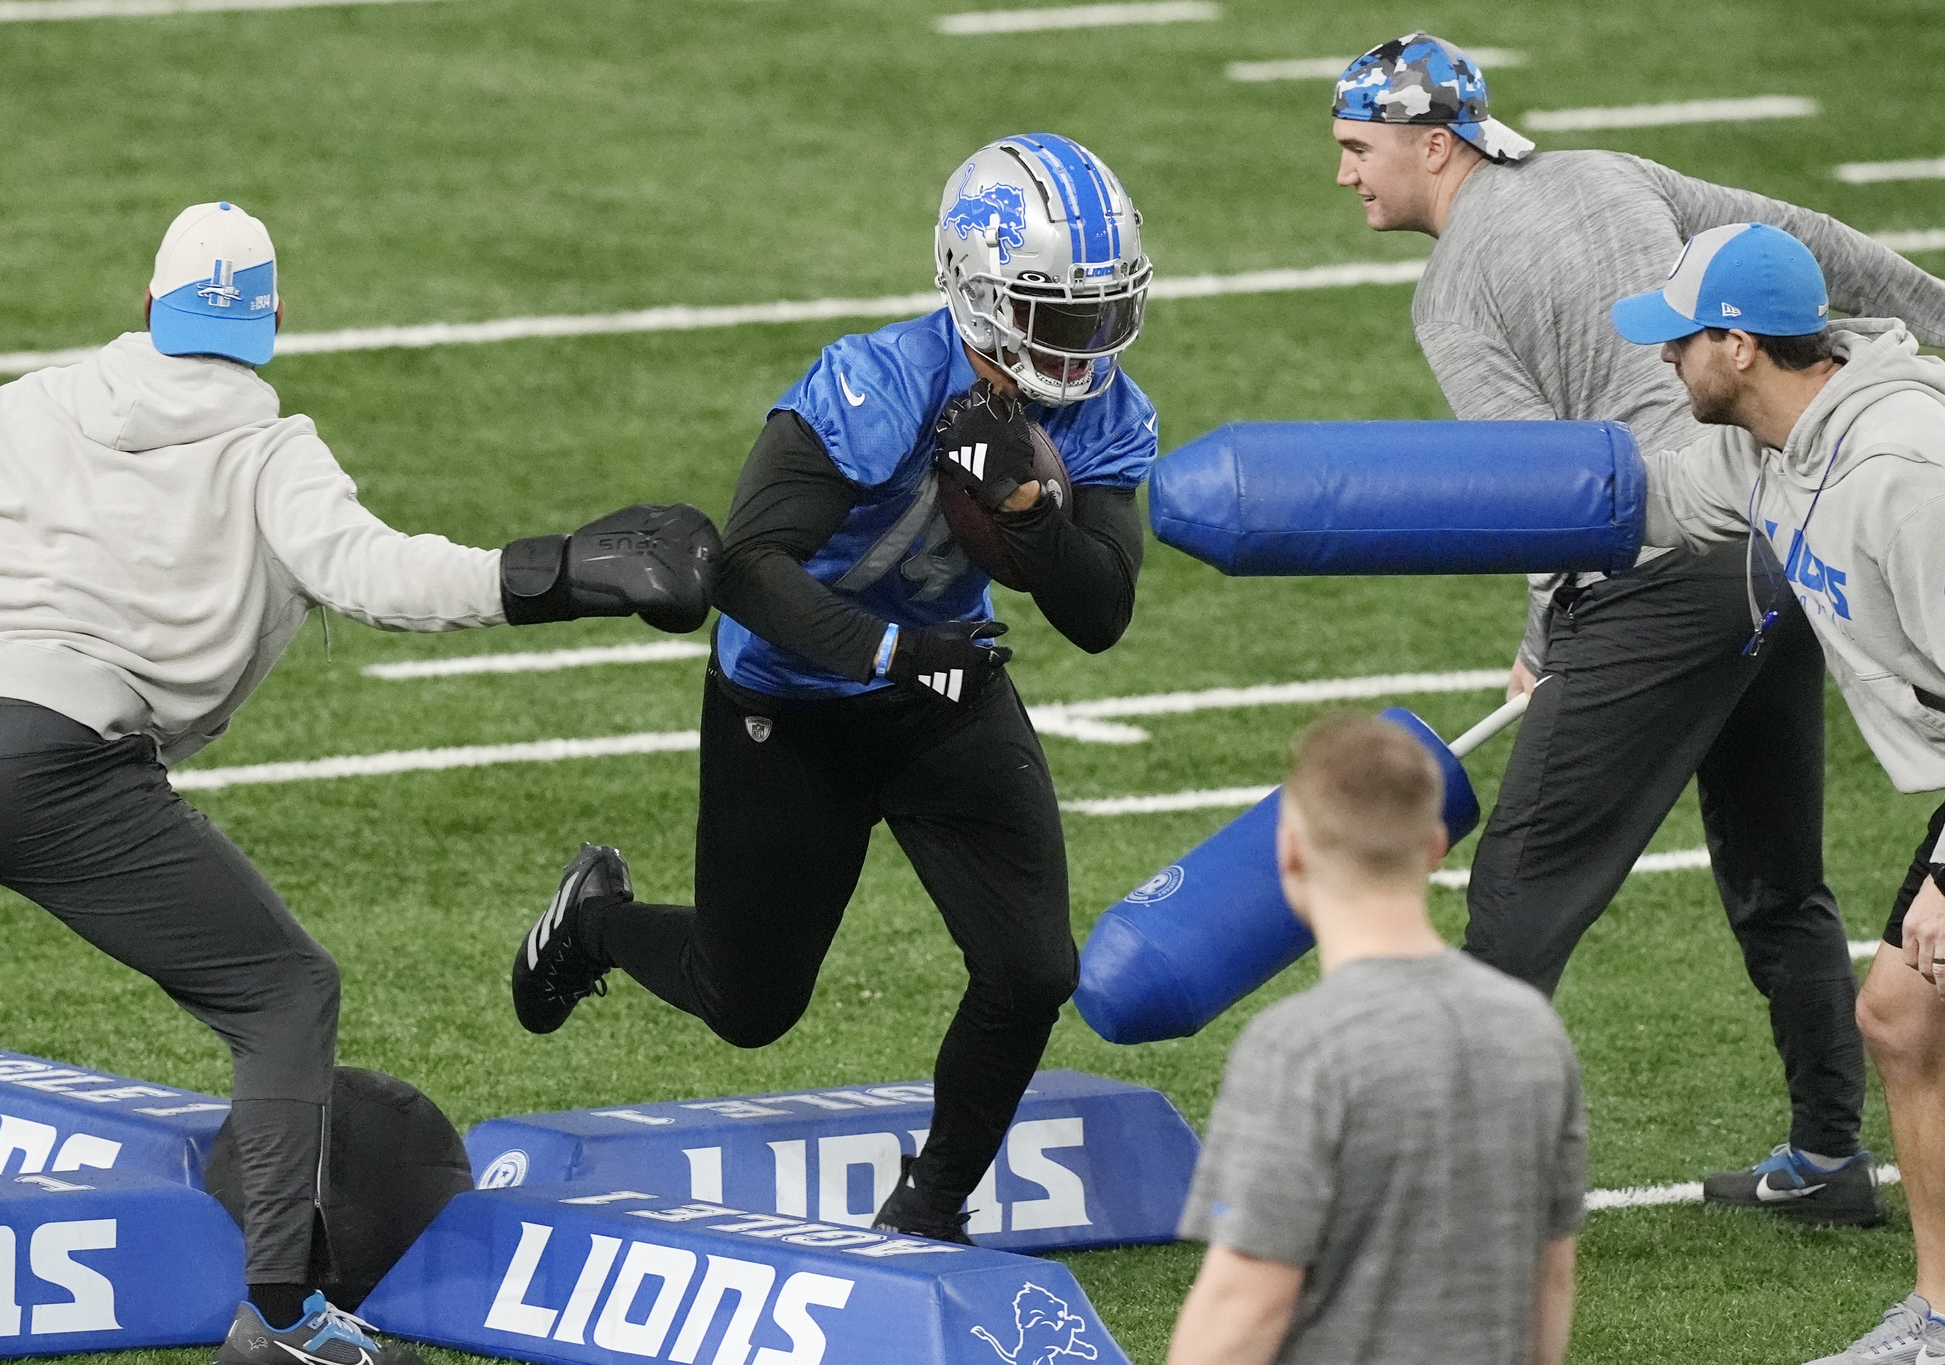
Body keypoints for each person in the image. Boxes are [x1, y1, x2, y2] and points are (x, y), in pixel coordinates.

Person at [1328, 29, 1945, 1216]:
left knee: (1519, 880)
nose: (1345, 174)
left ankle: (1448, 1192)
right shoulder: (1607, 169)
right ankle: (1824, 1157)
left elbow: (1540, 486)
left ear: (1431, 144)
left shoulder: (1450, 291)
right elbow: (1804, 248)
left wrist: (1546, 637)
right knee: (1774, 873)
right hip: (1770, 534)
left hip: (1662, 572)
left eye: (1357, 147)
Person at [0, 201, 719, 1365]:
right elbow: (379, 575)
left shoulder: (31, 402)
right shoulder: (268, 449)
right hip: (68, 771)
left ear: (147, 307)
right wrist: (565, 575)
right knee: (283, 994)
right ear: (272, 322)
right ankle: (280, 1320)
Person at [509, 134, 1157, 1242]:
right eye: (1057, 311)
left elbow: (1099, 613)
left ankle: (929, 1206)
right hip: (794, 700)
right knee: (748, 1006)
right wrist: (887, 653)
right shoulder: (874, 381)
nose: (1085, 344)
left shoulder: (1102, 410)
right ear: (976, 289)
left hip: (946, 686)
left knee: (1031, 966)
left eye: (1102, 309)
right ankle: (596, 925)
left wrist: (1024, 516)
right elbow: (745, 571)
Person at [1616, 222, 1945, 1365]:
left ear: (1740, 346)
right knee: (1901, 1023)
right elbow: (1652, 504)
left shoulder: (1914, 478)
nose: (1662, 360)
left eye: (1678, 340)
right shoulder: (1773, 449)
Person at [1166, 712, 1586, 1365]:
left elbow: (1247, 1298)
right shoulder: (1530, 1027)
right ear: (1437, 844)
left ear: (1290, 851)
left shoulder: (1299, 1047)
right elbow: (1550, 1274)